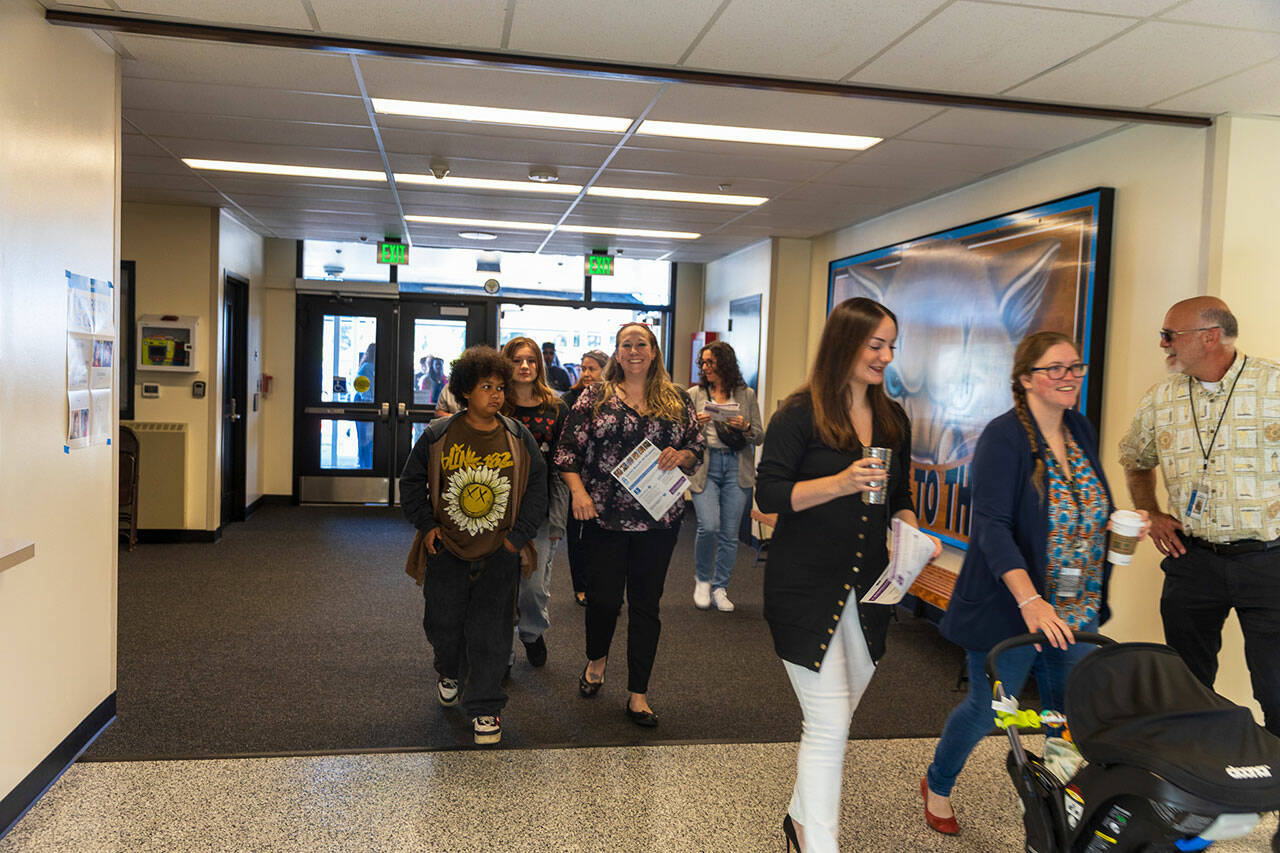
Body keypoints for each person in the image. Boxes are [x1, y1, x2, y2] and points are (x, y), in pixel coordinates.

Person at [922, 330, 1147, 835]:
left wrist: (1115, 525)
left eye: (1075, 367)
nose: (1069, 377)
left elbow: (1084, 504)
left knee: (1067, 714)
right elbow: (992, 526)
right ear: (1025, 379)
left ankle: (1059, 801)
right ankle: (937, 782)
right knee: (987, 712)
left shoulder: (1080, 429)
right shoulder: (1004, 438)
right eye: (1055, 369)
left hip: (1078, 606)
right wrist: (1030, 600)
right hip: (1014, 607)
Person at [756, 297, 940, 852]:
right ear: (845, 344)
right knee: (830, 725)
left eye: (891, 346)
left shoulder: (892, 418)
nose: (886, 356)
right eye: (875, 345)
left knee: (835, 720)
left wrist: (911, 537)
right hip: (803, 587)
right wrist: (840, 482)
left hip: (870, 590)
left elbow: (900, 497)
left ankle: (799, 820)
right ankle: (821, 844)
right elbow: (768, 496)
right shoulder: (799, 413)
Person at [1119, 296, 1280, 737]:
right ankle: (1196, 783)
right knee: (1186, 683)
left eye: (1170, 335)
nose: (1163, 344)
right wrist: (1150, 512)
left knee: (1277, 688)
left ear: (1210, 337)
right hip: (1193, 560)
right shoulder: (1160, 398)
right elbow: (1135, 457)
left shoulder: (1274, 386)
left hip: (1268, 563)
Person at [554, 323, 702, 728]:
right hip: (603, 517)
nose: (634, 350)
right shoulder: (595, 397)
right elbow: (566, 452)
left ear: (653, 351)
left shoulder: (676, 400)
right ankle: (597, 660)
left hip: (659, 519)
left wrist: (683, 455)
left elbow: (697, 445)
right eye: (626, 345)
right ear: (617, 354)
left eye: (642, 344)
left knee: (645, 606)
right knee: (603, 601)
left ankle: (639, 694)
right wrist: (579, 494)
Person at [399, 345, 547, 746]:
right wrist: (427, 527)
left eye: (501, 387)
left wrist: (517, 541)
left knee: (492, 633)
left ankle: (485, 707)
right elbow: (411, 484)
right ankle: (448, 669)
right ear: (466, 391)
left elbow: (537, 490)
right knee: (443, 625)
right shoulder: (438, 435)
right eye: (486, 386)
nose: (496, 394)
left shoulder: (519, 438)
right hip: (446, 551)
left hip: (500, 554)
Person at [501, 337, 570, 669]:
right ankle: (501, 651)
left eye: (530, 360)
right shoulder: (496, 404)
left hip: (540, 511)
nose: (525, 366)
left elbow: (563, 467)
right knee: (499, 586)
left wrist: (558, 518)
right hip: (497, 512)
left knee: (532, 587)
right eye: (517, 360)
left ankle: (530, 633)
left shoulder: (556, 408)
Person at [688, 340, 763, 612]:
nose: (706, 367)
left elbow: (759, 434)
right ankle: (702, 581)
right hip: (706, 465)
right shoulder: (694, 393)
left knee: (730, 533)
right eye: (703, 363)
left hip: (737, 466)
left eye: (711, 362)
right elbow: (681, 433)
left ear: (725, 363)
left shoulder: (746, 394)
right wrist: (695, 423)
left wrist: (744, 427)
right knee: (709, 525)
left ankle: (721, 587)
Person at [563, 349, 609, 606]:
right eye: (583, 369)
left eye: (592, 369)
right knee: (577, 536)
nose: (586, 374)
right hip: (577, 478)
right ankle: (580, 586)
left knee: (605, 539)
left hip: (607, 478)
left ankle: (604, 586)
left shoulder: (614, 398)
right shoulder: (570, 399)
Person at [353, 343, 375, 468]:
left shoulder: (366, 367)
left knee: (365, 439)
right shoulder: (368, 368)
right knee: (366, 440)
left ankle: (365, 465)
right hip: (366, 405)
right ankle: (365, 467)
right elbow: (365, 391)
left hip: (364, 404)